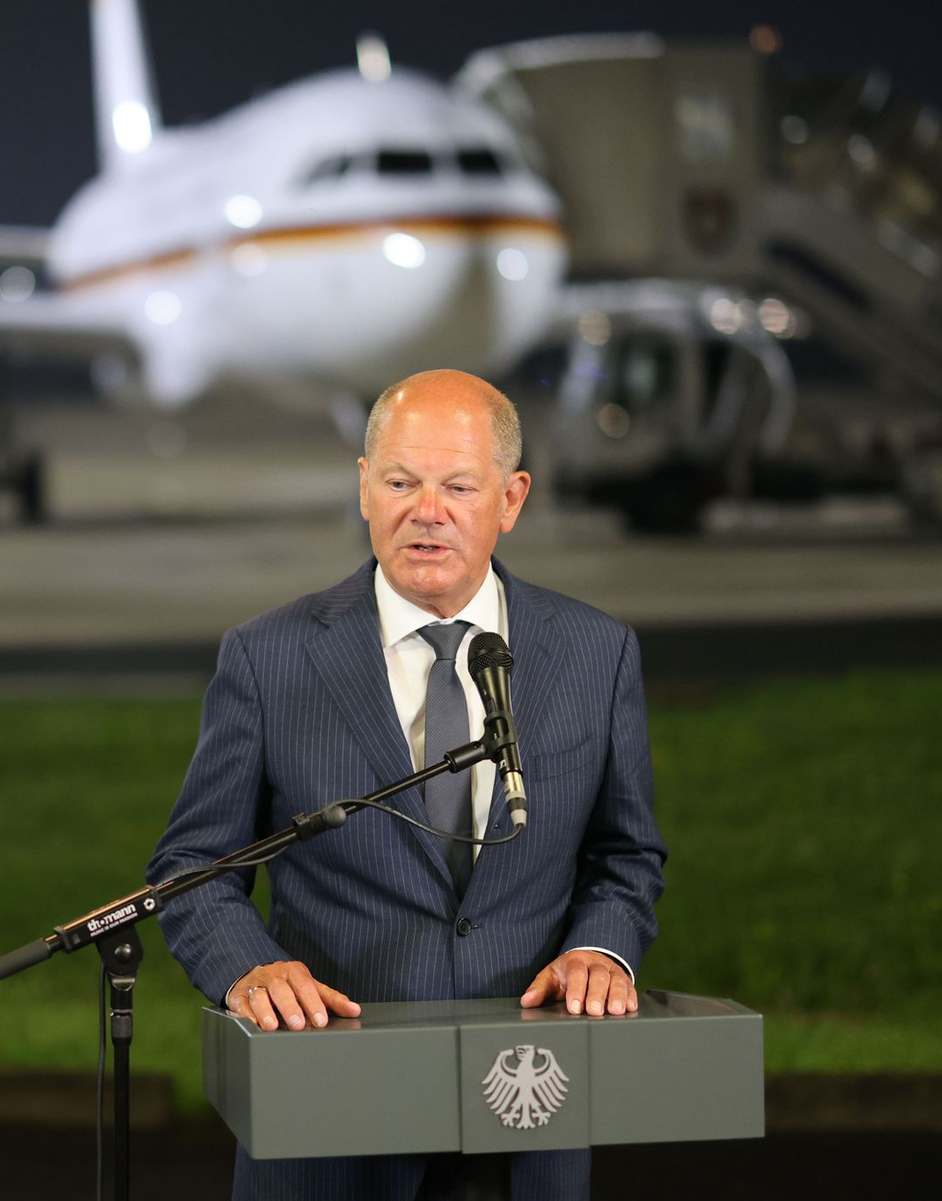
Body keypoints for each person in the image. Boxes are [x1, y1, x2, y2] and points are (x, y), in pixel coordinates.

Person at [147, 369, 666, 1201]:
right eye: (400, 482)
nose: (427, 511)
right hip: (327, 1129)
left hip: (523, 1115)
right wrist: (249, 969)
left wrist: (601, 947)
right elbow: (191, 866)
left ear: (511, 498)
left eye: (459, 486)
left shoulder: (594, 655)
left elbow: (626, 852)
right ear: (364, 488)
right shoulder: (269, 657)